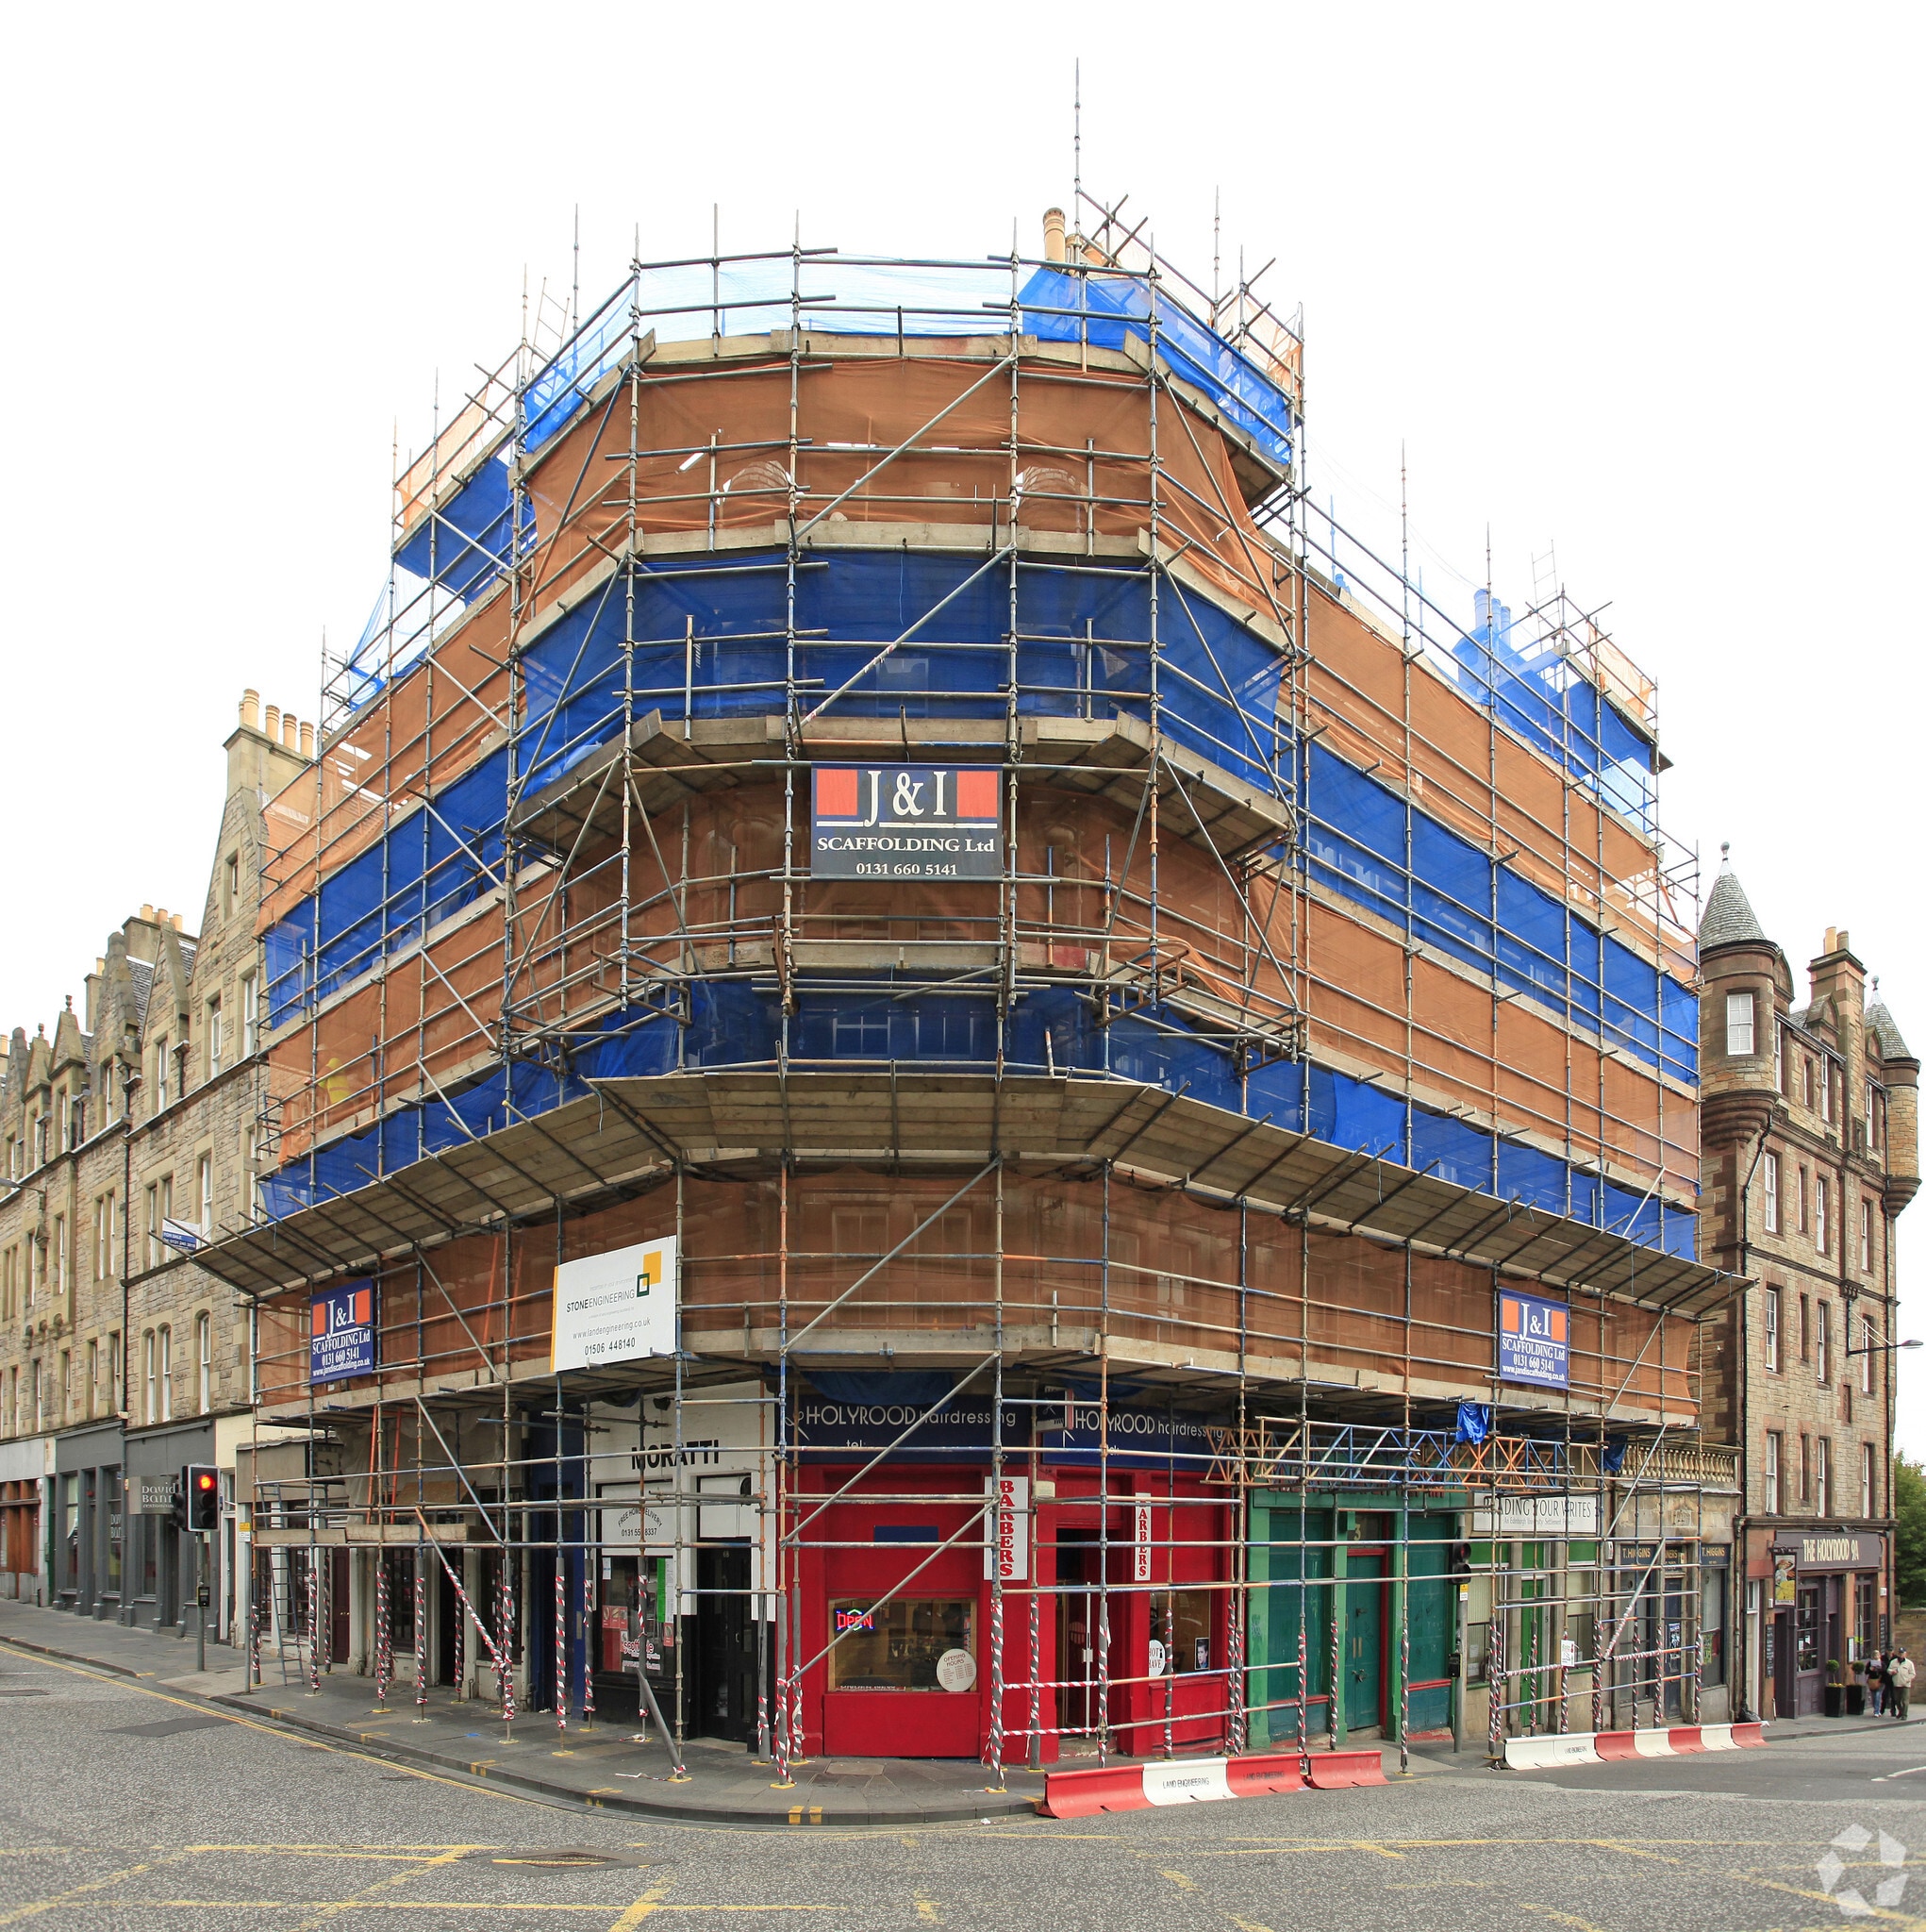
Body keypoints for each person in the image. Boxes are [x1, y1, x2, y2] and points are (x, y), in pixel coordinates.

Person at [1890, 1649, 1916, 1721]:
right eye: (1900, 1653)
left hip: (1905, 1685)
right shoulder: (1893, 1662)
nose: (1901, 1655)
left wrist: (1908, 1679)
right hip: (1896, 1684)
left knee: (1904, 1701)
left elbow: (1912, 1674)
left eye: (1902, 1653)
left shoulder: (1909, 1663)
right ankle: (1901, 1712)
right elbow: (1889, 1670)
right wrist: (1892, 1671)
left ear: (1905, 1654)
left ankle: (1904, 1714)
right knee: (1897, 1700)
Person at [1868, 1650, 1886, 1716]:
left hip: (1880, 1682)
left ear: (1879, 1655)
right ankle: (1876, 1709)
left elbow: (1885, 1671)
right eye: (1875, 1655)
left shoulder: (1882, 1663)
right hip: (1872, 1681)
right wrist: (1870, 1669)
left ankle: (1877, 1711)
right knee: (1873, 1697)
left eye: (1877, 1655)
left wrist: (1879, 1669)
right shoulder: (1870, 1663)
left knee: (1878, 1695)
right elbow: (1866, 1672)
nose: (1876, 1656)